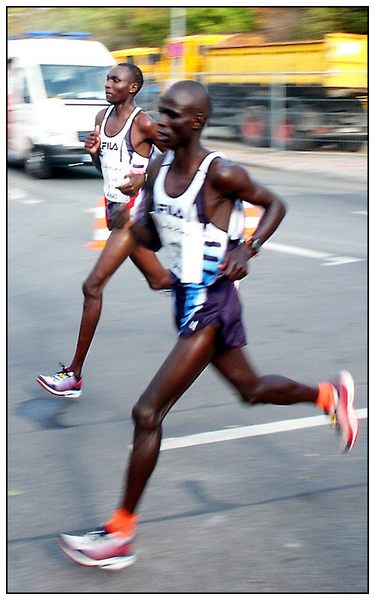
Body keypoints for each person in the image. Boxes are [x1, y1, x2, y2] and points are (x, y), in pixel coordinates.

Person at [59, 80, 359, 571]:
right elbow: (153, 231)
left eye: (173, 116)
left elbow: (275, 204)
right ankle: (329, 397)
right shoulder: (157, 169)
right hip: (186, 300)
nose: (162, 121)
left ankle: (119, 533)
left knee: (147, 412)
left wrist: (249, 246)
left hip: (214, 305)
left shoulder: (220, 172)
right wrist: (126, 223)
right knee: (252, 389)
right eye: (161, 112)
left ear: (196, 122)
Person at [36, 63, 171, 399]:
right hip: (114, 209)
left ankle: (73, 375)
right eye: (108, 79)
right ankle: (215, 282)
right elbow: (104, 168)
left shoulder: (143, 122)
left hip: (133, 214)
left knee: (92, 286)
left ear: (134, 86)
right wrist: (94, 154)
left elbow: (175, 158)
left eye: (116, 80)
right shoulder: (101, 117)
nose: (108, 84)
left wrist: (146, 178)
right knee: (159, 281)